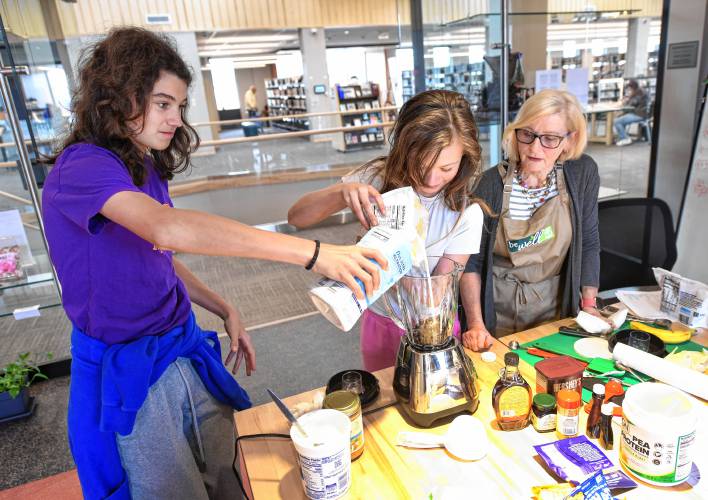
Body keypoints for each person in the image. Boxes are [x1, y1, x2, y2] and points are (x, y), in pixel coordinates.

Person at [41, 27, 385, 500]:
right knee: (169, 488)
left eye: (180, 107)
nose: (175, 120)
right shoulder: (81, 166)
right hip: (131, 370)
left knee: (224, 467)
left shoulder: (140, 163)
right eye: (163, 104)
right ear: (118, 95)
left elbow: (155, 257)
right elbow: (167, 229)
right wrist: (315, 254)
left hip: (179, 342)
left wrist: (223, 306)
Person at [288, 90, 486, 371]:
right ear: (405, 150)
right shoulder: (377, 178)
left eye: (446, 167)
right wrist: (341, 193)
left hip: (434, 326)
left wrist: (397, 254)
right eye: (422, 163)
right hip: (381, 321)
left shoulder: (465, 212)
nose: (431, 179)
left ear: (465, 157)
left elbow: (436, 290)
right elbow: (297, 217)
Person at [461, 89, 606, 352]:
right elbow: (471, 261)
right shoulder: (490, 184)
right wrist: (476, 325)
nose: (534, 148)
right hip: (500, 313)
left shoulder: (582, 174)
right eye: (527, 134)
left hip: (557, 307)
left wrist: (588, 306)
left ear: (569, 141)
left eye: (549, 138)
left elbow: (589, 242)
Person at [613, 79, 650, 146]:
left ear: (632, 87)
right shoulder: (640, 91)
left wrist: (627, 100)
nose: (629, 89)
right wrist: (629, 97)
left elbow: (633, 103)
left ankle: (625, 138)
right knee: (620, 119)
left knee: (617, 121)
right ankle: (622, 137)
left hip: (639, 114)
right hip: (641, 113)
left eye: (629, 88)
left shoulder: (639, 92)